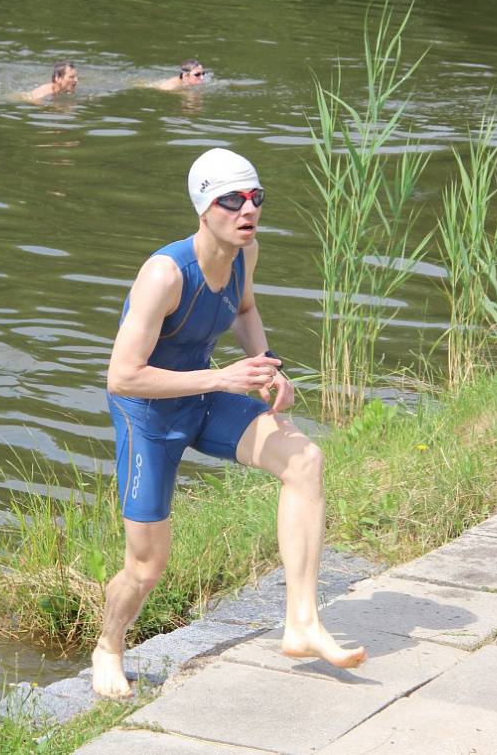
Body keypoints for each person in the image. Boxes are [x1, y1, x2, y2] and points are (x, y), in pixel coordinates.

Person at [91, 148, 367, 698]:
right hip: (148, 416)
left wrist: (266, 367)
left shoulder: (245, 253)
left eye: (255, 198)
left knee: (304, 460)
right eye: (232, 200)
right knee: (147, 566)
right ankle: (108, 647)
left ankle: (302, 622)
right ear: (203, 206)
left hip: (204, 393)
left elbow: (243, 310)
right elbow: (122, 377)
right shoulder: (164, 274)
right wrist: (221, 378)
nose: (248, 210)